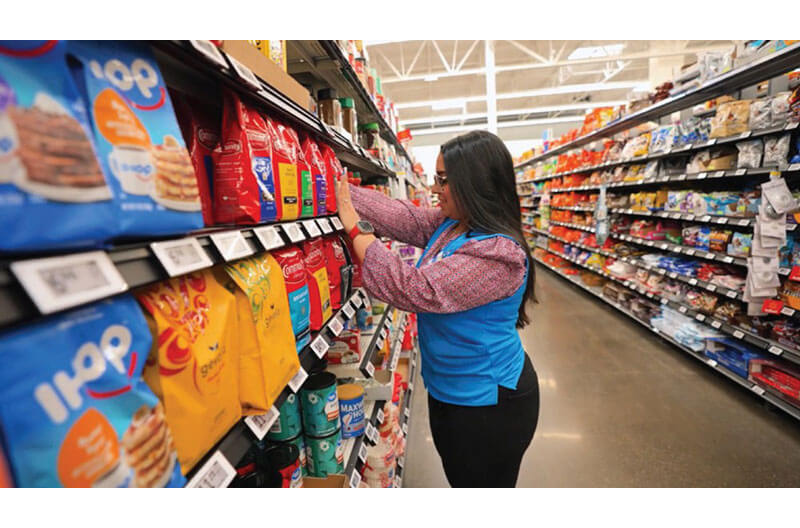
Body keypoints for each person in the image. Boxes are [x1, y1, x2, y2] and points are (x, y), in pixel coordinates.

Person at [335, 130, 539, 488]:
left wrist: (356, 231)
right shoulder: (454, 226)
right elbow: (406, 218)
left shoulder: (499, 254)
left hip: (490, 401)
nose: (433, 188)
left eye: (444, 180)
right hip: (450, 389)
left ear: (473, 183)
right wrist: (337, 188)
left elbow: (418, 289)